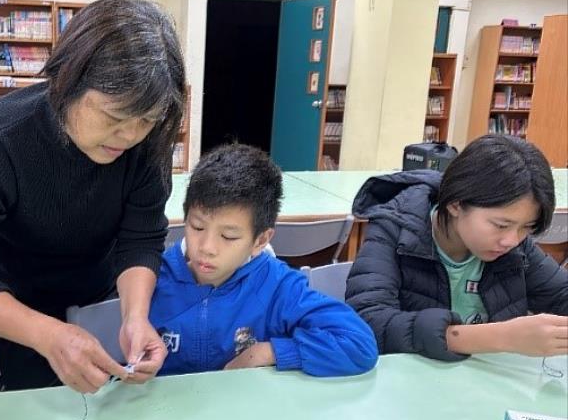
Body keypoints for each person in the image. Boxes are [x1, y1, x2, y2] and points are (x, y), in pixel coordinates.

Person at [0, 0, 186, 393]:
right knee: (41, 418)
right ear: (67, 79)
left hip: (106, 295)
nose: (130, 136)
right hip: (18, 305)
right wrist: (48, 335)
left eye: (147, 120)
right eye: (114, 118)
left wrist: (135, 316)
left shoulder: (148, 143)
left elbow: (141, 238)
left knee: (123, 407)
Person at [149, 144, 378, 377]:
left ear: (260, 240)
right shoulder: (154, 277)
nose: (206, 248)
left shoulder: (276, 286)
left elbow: (359, 344)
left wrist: (270, 352)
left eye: (228, 236)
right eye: (197, 227)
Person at [345, 134, 568, 362]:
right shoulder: (396, 229)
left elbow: (562, 294)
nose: (511, 240)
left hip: (487, 386)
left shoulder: (514, 244)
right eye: (501, 225)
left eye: (527, 227)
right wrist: (501, 337)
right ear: (455, 204)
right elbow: (368, 321)